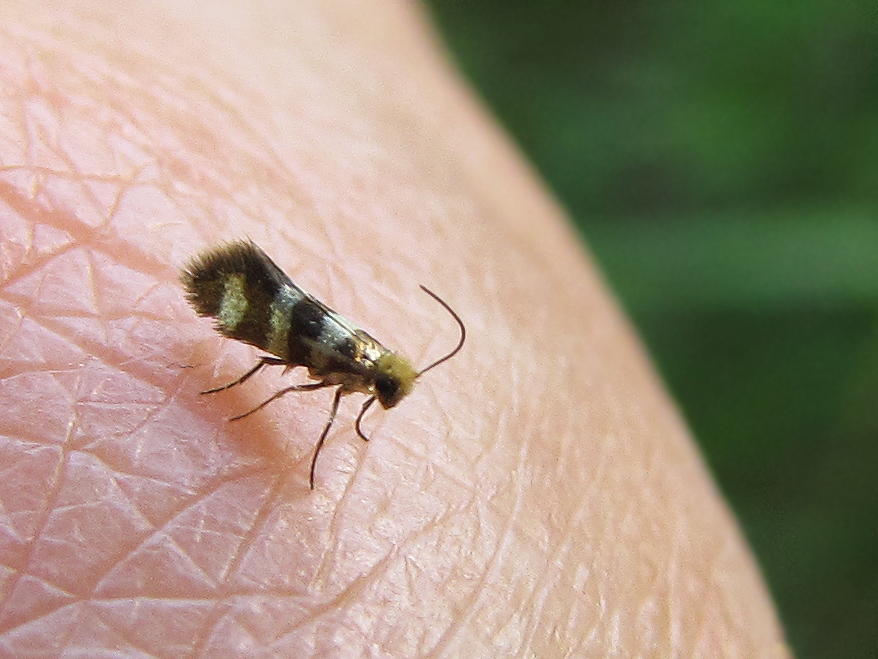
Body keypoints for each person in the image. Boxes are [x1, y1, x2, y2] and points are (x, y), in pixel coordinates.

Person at [0, 2, 789, 656]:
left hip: (289, 313)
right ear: (377, 381)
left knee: (281, 348)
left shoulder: (366, 369)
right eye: (382, 394)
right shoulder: (353, 362)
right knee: (276, 351)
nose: (374, 402)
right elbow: (304, 366)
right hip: (286, 316)